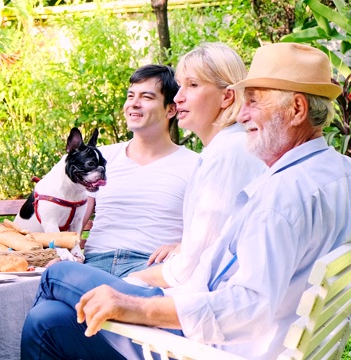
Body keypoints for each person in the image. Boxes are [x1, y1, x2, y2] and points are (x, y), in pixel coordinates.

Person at [21, 43, 351, 360]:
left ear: (296, 110)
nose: (243, 114)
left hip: (209, 347)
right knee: (47, 319)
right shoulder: (339, 172)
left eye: (253, 102)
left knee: (53, 283)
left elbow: (249, 307)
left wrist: (137, 306)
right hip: (239, 333)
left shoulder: (281, 196)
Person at [130, 43, 266, 288]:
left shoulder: (227, 155)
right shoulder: (232, 146)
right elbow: (217, 240)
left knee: (58, 279)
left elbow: (190, 271)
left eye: (192, 85)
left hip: (200, 307)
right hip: (211, 294)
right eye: (180, 85)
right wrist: (185, 246)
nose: (178, 97)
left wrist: (132, 280)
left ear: (227, 96)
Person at [80, 65, 199, 276]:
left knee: (60, 283)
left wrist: (182, 246)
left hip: (149, 267)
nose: (134, 104)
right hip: (94, 263)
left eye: (146, 97)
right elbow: (77, 217)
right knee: (46, 308)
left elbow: (207, 229)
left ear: (170, 109)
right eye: (130, 95)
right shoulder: (100, 158)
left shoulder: (194, 165)